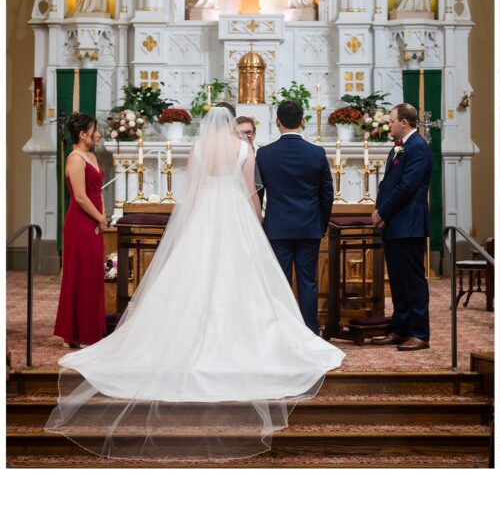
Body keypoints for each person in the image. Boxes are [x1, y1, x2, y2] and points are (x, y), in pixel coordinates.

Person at [46, 107, 344, 461]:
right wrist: (256, 228)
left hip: (204, 215)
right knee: (243, 282)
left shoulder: (198, 148)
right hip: (235, 215)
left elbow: (191, 192)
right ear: (233, 123)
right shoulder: (243, 148)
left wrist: (188, 226)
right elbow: (251, 193)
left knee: (194, 277)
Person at [256, 100, 335, 335]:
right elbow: (327, 193)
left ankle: (282, 332)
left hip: (277, 227)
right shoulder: (316, 153)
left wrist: (260, 222)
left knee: (279, 282)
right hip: (308, 226)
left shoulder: (265, 154)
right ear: (302, 121)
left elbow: (258, 192)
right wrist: (321, 225)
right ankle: (310, 330)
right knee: (307, 282)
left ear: (277, 121)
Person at [371, 104, 433, 351]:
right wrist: (381, 210)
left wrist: (383, 211)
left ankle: (419, 333)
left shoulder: (418, 147)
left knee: (413, 281)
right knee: (397, 280)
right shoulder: (399, 147)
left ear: (404, 123)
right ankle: (400, 329)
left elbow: (407, 186)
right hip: (395, 223)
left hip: (409, 223)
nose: (389, 124)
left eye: (392, 120)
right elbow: (389, 184)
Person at [53, 113, 107, 348]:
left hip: (94, 220)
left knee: (92, 275)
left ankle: (88, 330)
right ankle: (79, 333)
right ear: (83, 134)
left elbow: (97, 190)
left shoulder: (91, 155)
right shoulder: (75, 159)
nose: (99, 134)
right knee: (82, 275)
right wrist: (99, 217)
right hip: (80, 222)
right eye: (95, 131)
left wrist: (102, 215)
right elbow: (81, 197)